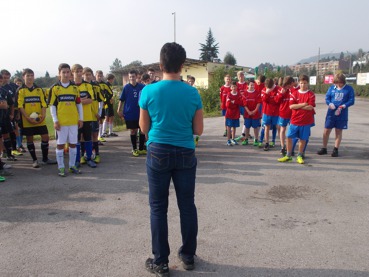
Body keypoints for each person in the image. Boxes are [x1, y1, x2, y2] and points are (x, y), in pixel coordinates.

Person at [139, 42, 203, 276]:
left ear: (160, 64)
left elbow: (144, 127)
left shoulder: (149, 91)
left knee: (158, 208)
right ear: (182, 65)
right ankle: (188, 255)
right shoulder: (192, 92)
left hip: (158, 151)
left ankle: (161, 261)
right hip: (185, 151)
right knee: (187, 205)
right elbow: (198, 129)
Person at [49, 63, 83, 176]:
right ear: (59, 74)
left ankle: (72, 165)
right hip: (61, 122)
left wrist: (81, 118)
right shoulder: (55, 88)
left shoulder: (74, 88)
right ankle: (61, 167)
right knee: (60, 145)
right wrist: (55, 120)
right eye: (63, 72)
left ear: (70, 73)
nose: (66, 74)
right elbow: (52, 106)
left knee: (73, 144)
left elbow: (79, 104)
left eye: (68, 72)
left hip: (73, 121)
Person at [17, 68, 56, 168]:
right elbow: (20, 106)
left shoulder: (39, 90)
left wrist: (43, 116)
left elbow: (44, 104)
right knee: (30, 139)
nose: (30, 78)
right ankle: (34, 160)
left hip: (40, 120)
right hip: (27, 120)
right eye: (27, 76)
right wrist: (27, 118)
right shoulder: (21, 90)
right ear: (23, 77)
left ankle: (45, 158)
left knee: (45, 137)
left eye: (31, 76)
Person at [278, 75, 315, 164]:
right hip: (294, 120)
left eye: (305, 83)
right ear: (299, 83)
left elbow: (310, 107)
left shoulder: (311, 94)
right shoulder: (294, 93)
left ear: (307, 84)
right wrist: (303, 104)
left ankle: (299, 155)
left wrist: (298, 106)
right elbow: (291, 106)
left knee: (303, 139)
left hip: (306, 121)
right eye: (301, 83)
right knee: (289, 137)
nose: (303, 85)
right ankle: (288, 155)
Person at [317, 73, 355, 157]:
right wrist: (330, 103)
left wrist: (344, 105)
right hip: (331, 113)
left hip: (342, 113)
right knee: (326, 130)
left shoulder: (349, 89)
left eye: (340, 83)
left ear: (343, 82)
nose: (338, 84)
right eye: (336, 83)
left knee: (338, 131)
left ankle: (335, 149)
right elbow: (327, 98)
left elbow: (351, 100)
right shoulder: (331, 88)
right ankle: (324, 148)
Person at [72, 64, 96, 168]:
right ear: (73, 72)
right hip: (74, 118)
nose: (79, 73)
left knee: (88, 138)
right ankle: (77, 160)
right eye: (76, 71)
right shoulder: (70, 86)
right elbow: (68, 102)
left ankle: (89, 158)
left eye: (80, 71)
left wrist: (78, 101)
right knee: (76, 139)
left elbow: (90, 100)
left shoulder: (88, 85)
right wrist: (82, 100)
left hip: (87, 117)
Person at [117, 70, 145, 157]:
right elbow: (121, 100)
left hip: (140, 112)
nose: (132, 78)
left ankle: (141, 148)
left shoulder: (142, 86)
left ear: (136, 76)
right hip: (130, 113)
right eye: (130, 77)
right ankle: (134, 148)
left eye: (133, 76)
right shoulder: (126, 87)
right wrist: (119, 110)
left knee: (142, 131)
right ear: (129, 78)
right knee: (133, 130)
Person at [83, 67, 104, 163]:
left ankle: (97, 154)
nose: (87, 76)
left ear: (92, 75)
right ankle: (84, 154)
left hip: (94, 115)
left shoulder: (96, 86)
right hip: (83, 116)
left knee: (94, 135)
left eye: (89, 74)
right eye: (85, 74)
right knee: (83, 136)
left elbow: (101, 101)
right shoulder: (80, 86)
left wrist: (99, 113)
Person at [275, 76, 294, 156]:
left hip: (292, 113)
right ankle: (283, 147)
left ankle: (290, 148)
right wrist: (281, 94)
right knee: (282, 130)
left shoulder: (293, 90)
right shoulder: (280, 89)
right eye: (291, 84)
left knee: (292, 131)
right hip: (283, 113)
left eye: (291, 84)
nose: (291, 86)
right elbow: (276, 100)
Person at [260, 78, 280, 151]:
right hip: (267, 112)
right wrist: (267, 93)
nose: (269, 89)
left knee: (278, 127)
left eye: (270, 87)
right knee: (266, 127)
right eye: (267, 87)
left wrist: (271, 99)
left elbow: (277, 100)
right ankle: (267, 143)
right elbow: (264, 100)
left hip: (276, 112)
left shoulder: (278, 89)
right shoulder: (264, 90)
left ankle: (282, 144)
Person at [240, 81, 261, 146]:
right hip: (247, 113)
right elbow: (244, 104)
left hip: (255, 113)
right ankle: (246, 139)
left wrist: (255, 111)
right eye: (251, 85)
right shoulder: (245, 93)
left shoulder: (257, 93)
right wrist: (248, 111)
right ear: (248, 86)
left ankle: (256, 139)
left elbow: (258, 103)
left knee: (255, 127)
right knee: (247, 126)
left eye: (253, 85)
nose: (252, 86)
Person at [225, 81, 242, 146]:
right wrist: (235, 103)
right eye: (232, 86)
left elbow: (240, 102)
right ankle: (228, 140)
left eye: (235, 86)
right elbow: (228, 104)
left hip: (236, 113)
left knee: (234, 127)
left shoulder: (238, 94)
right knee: (229, 127)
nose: (234, 88)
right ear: (230, 87)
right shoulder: (229, 94)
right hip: (229, 113)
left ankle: (233, 139)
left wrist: (233, 102)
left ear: (237, 87)